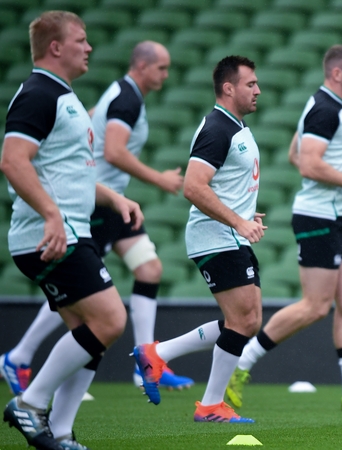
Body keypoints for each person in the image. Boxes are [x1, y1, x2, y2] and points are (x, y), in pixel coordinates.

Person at [0, 41, 194, 395]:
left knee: (149, 269)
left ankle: (146, 362)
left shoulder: (120, 93)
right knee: (86, 291)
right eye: (161, 68)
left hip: (113, 200)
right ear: (142, 66)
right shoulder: (127, 99)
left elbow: (91, 122)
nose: (166, 75)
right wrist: (158, 179)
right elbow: (113, 151)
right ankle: (21, 356)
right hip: (96, 202)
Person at [1, 11, 142, 449]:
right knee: (111, 319)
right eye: (81, 40)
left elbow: (68, 173)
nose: (89, 47)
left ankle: (60, 432)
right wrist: (51, 214)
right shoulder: (39, 93)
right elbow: (13, 161)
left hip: (67, 232)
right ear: (55, 47)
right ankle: (30, 403)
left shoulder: (64, 96)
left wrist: (114, 198)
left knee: (89, 333)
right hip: (49, 237)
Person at [225, 45, 342, 412]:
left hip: (339, 216)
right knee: (315, 306)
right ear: (336, 73)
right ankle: (241, 363)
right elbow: (308, 164)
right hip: (318, 217)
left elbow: (295, 155)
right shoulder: (325, 109)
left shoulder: (330, 106)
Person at [133, 55, 264, 424]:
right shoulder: (217, 128)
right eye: (250, 84)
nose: (258, 90)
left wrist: (244, 214)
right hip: (216, 237)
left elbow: (223, 185)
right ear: (228, 88)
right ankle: (205, 401)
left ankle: (160, 357)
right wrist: (238, 220)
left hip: (229, 235)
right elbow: (193, 186)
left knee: (247, 320)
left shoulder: (235, 126)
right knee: (243, 319)